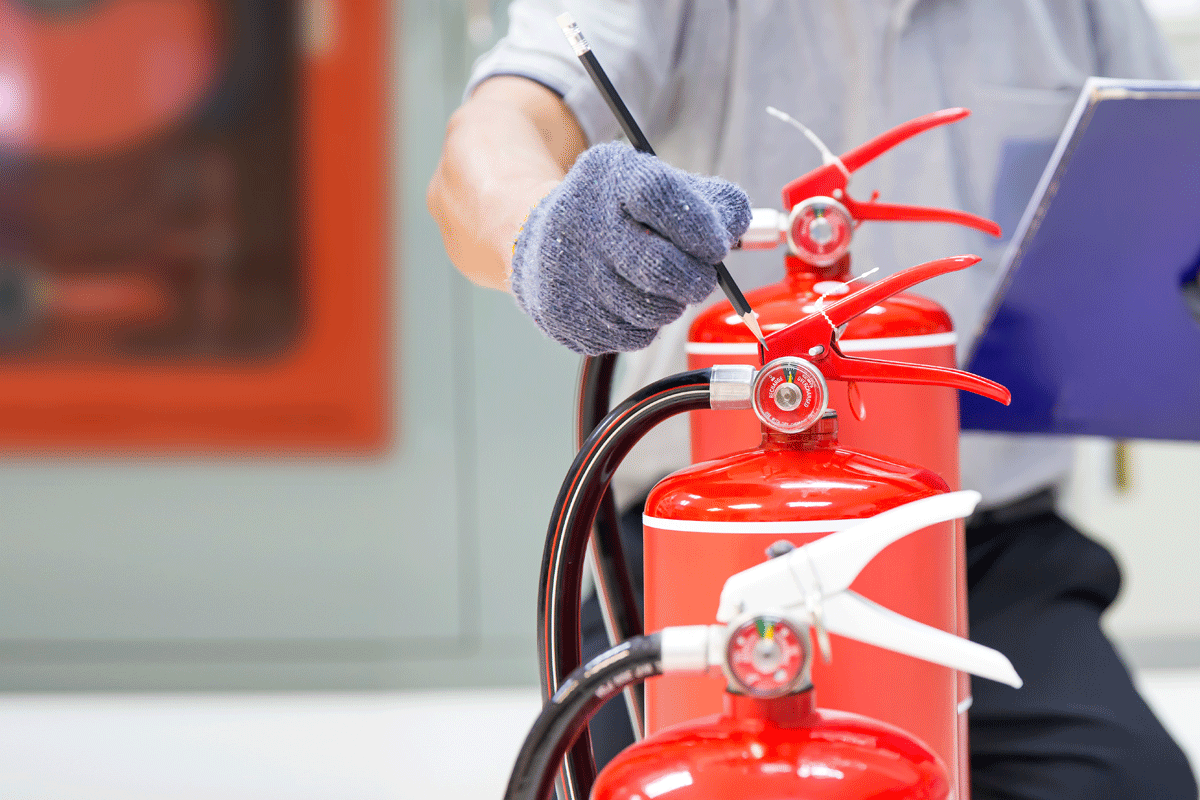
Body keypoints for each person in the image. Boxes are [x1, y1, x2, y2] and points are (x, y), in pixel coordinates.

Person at [427, 2, 1198, 798]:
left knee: (1134, 783)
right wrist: (546, 235)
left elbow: (1172, 183)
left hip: (985, 560)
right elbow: (487, 144)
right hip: (703, 558)